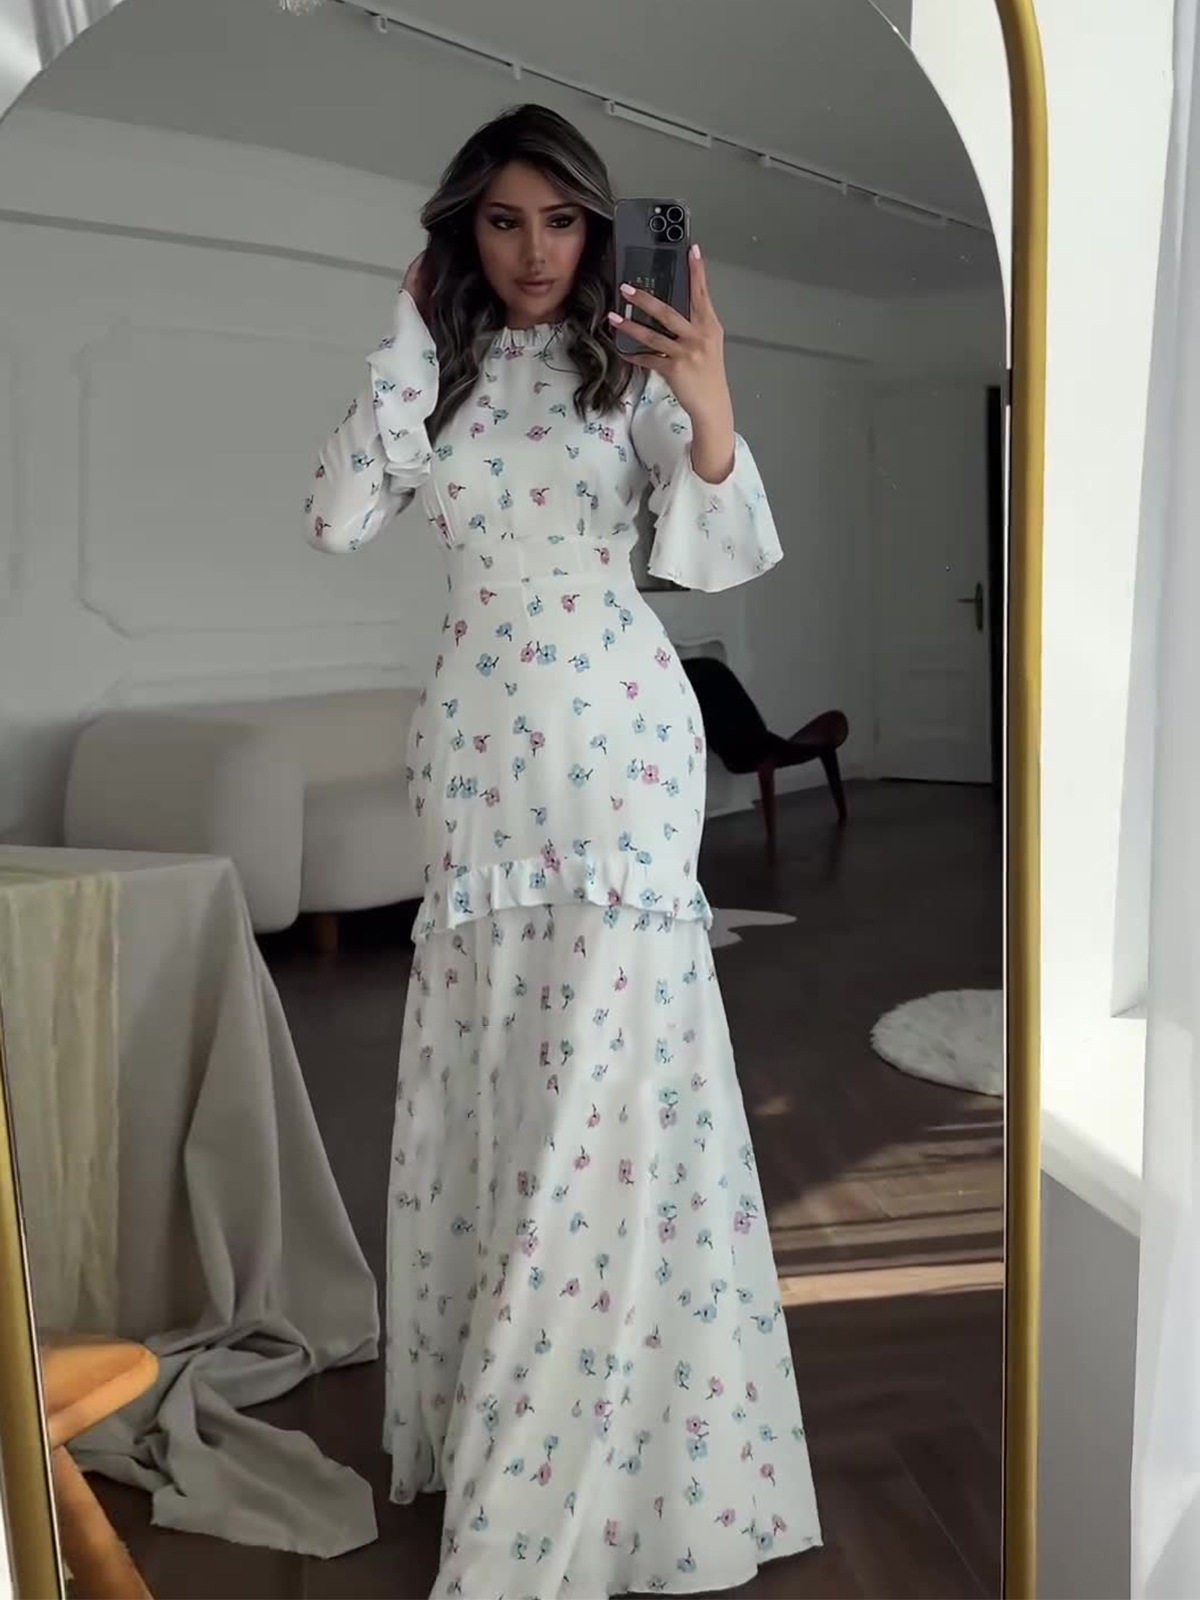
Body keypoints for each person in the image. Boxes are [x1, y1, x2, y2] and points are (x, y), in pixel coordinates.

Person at [306, 102, 821, 1600]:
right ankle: (508, 1424)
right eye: (503, 221)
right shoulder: (441, 381)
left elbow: (714, 551)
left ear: (599, 230)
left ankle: (613, 1461)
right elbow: (336, 520)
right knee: (500, 1076)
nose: (534, 251)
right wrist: (405, 348)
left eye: (561, 221)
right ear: (461, 231)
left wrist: (708, 404)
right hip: (476, 758)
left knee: (615, 1079)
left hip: (621, 750)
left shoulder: (629, 371)